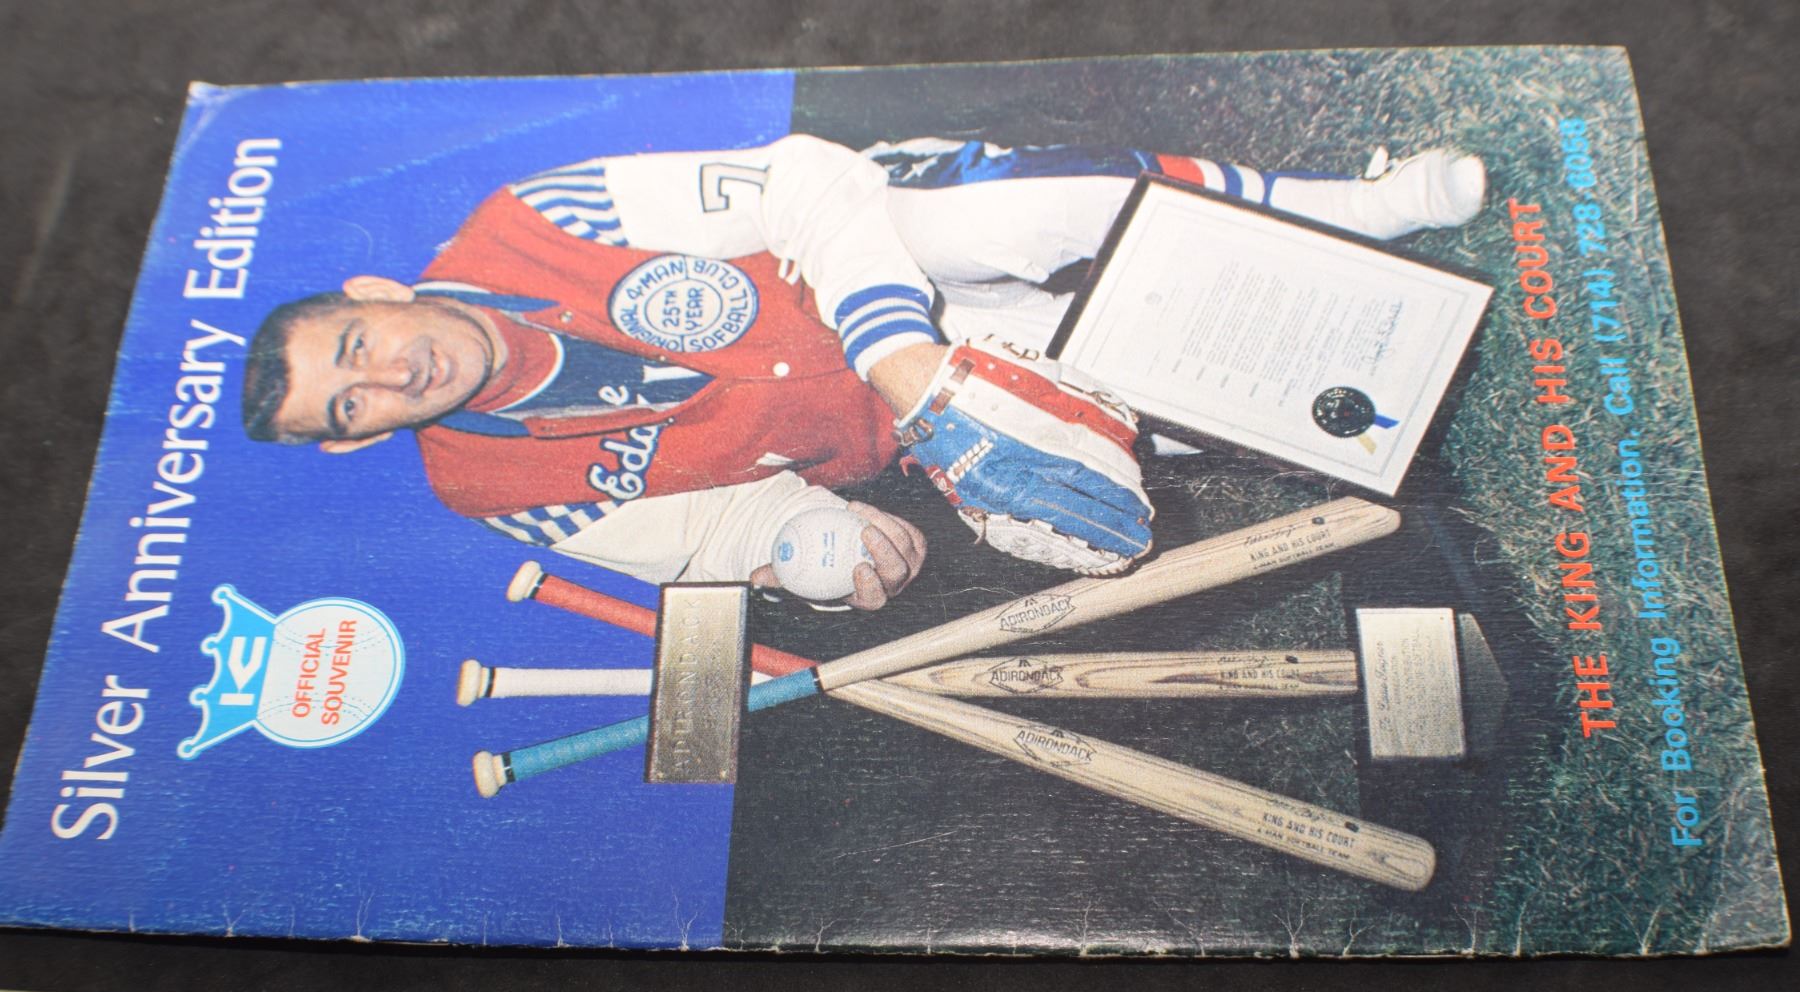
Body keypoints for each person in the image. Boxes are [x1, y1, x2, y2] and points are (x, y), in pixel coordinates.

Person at [242, 135, 1485, 608]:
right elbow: (712, 532)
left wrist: (894, 347)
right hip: (939, 427)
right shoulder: (489, 490)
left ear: (376, 294)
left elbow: (801, 180)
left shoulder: (533, 221)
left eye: (357, 347)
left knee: (1027, 216)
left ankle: (1360, 207)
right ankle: (1348, 352)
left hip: (891, 256)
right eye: (351, 404)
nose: (390, 377)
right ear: (353, 439)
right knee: (1182, 401)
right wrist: (810, 547)